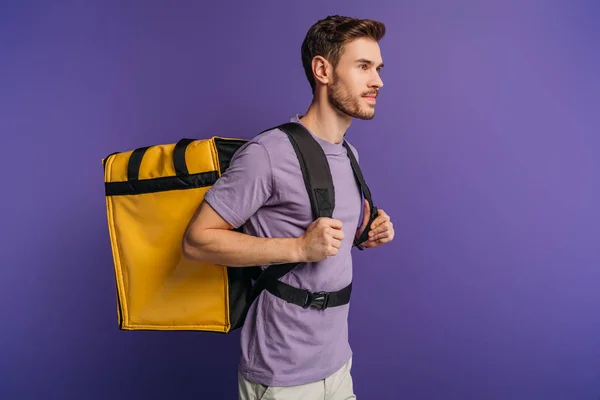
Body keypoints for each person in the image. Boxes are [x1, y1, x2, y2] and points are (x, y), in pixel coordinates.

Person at [182, 15, 395, 400]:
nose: (377, 80)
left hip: (337, 363)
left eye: (378, 68)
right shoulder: (268, 153)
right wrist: (298, 248)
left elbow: (328, 240)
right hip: (282, 375)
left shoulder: (349, 154)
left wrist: (366, 233)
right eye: (363, 66)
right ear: (322, 70)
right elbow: (196, 242)